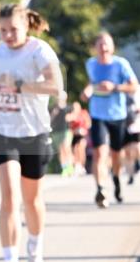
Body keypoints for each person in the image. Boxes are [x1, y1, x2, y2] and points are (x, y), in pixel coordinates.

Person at [0, 4, 63, 262]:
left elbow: (56, 87)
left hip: (34, 133)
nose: (7, 36)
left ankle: (35, 252)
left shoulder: (40, 51)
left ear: (26, 25)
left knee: (32, 201)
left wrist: (19, 86)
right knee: (9, 199)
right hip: (3, 131)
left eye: (13, 30)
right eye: (2, 30)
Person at [82, 32, 138, 207]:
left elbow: (133, 85)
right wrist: (87, 91)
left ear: (112, 47)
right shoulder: (90, 64)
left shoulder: (121, 64)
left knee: (116, 155)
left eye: (106, 44)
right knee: (99, 153)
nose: (103, 48)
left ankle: (116, 180)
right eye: (100, 45)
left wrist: (114, 87)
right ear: (95, 48)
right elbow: (91, 83)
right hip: (98, 115)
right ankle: (100, 189)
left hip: (117, 115)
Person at [50, 93, 73, 175]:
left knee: (66, 148)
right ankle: (64, 168)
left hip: (66, 131)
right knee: (61, 150)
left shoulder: (69, 107)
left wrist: (69, 117)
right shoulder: (53, 108)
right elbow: (50, 120)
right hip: (56, 131)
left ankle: (70, 167)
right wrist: (54, 112)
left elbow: (75, 116)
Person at [67, 101, 91, 176]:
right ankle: (77, 165)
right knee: (74, 150)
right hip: (74, 135)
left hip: (82, 135)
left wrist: (83, 129)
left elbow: (88, 123)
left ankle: (82, 166)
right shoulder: (72, 115)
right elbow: (68, 122)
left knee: (81, 149)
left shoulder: (83, 113)